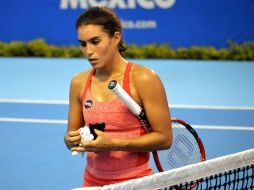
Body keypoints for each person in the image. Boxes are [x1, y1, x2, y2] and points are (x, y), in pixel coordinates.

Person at [64, 6, 172, 187]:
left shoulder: (144, 79)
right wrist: (70, 140)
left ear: (115, 38)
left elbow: (165, 138)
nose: (88, 51)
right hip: (92, 182)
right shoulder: (78, 83)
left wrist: (113, 144)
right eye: (83, 44)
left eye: (95, 41)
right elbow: (72, 138)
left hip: (137, 183)